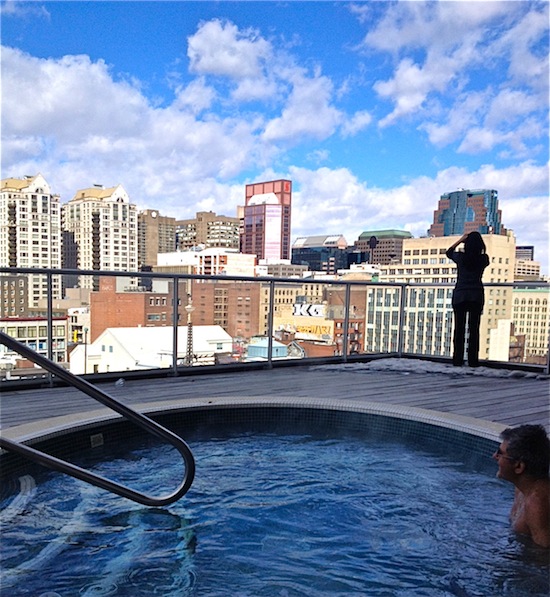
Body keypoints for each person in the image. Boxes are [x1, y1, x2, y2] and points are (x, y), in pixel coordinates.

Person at [493, 424, 550, 548]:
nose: (494, 456)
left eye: (500, 453)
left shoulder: (537, 503)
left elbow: (543, 558)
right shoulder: (521, 489)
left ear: (518, 467)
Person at [446, 231, 489, 367]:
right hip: (476, 295)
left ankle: (457, 359)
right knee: (474, 330)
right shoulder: (484, 259)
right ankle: (473, 361)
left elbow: (448, 252)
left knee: (459, 329)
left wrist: (461, 240)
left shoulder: (460, 257)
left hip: (460, 295)